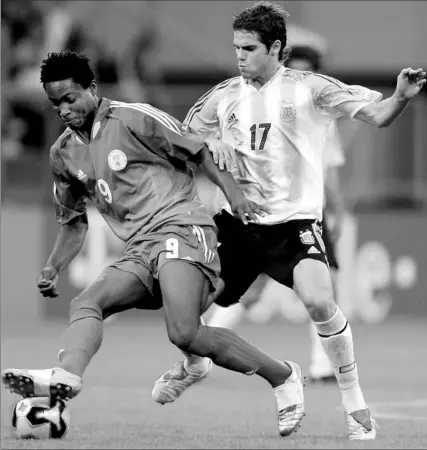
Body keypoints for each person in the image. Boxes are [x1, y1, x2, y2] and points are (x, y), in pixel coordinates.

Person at [151, 2, 425, 441]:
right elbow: (184, 138)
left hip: (293, 225)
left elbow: (377, 116)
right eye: (236, 47)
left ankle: (353, 401)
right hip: (237, 226)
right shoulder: (223, 96)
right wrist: (212, 140)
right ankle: (194, 365)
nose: (240, 56)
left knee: (319, 300)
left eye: (250, 48)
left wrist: (400, 98)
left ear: (276, 48)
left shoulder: (310, 89)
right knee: (186, 316)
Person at [1, 50, 306, 438]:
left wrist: (233, 192)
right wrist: (53, 266)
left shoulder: (134, 118)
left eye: (71, 98)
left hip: (182, 228)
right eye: (55, 103)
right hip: (139, 250)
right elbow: (73, 223)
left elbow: (198, 149)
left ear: (92, 89)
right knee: (87, 302)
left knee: (182, 333)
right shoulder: (62, 153)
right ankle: (68, 377)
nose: (63, 109)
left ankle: (283, 376)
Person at [206, 33, 346, 384]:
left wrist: (338, 212)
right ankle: (203, 346)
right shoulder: (254, 105)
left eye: (306, 70)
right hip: (269, 212)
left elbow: (328, 174)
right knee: (251, 291)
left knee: (324, 291)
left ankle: (321, 365)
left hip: (306, 212)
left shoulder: (318, 109)